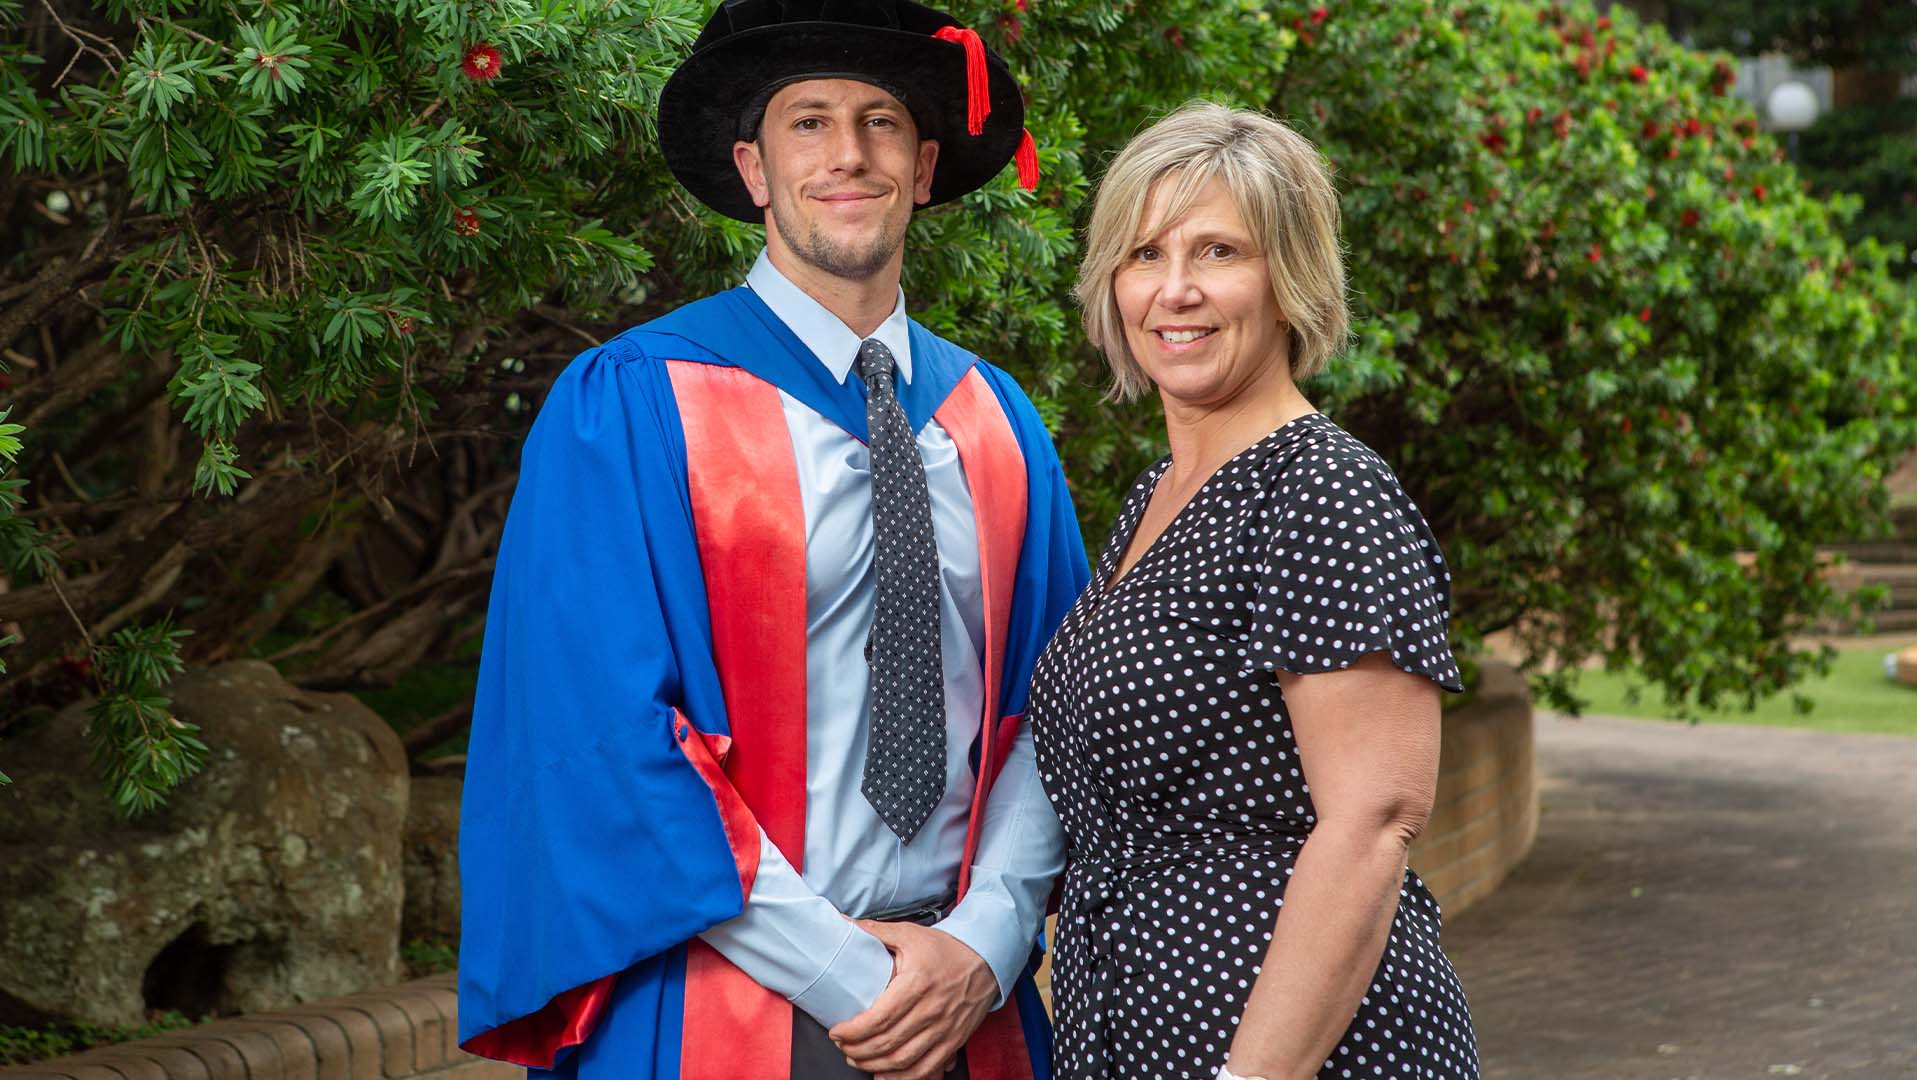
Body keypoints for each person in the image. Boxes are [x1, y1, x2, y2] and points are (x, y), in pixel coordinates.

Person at [454, 4, 1087, 1079]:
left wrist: (984, 945)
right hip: (727, 998)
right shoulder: (635, 403)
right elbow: (606, 737)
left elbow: (1060, 705)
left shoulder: (995, 421)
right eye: (809, 123)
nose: (849, 154)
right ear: (752, 168)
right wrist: (850, 978)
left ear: (926, 168)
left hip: (962, 1002)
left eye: (882, 123)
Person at [1030, 102, 1480, 1080]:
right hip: (1135, 1032)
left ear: (1290, 282)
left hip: (1296, 1053)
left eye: (1219, 251)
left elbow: (1371, 822)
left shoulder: (1319, 487)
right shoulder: (1156, 498)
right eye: (1145, 253)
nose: (1176, 289)